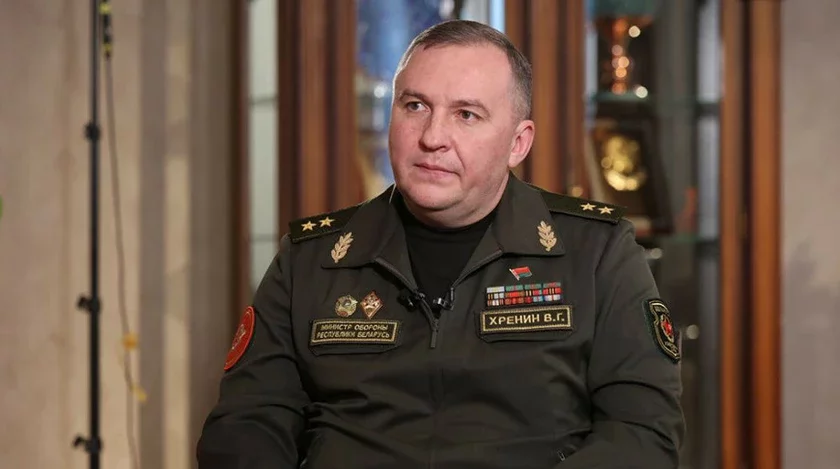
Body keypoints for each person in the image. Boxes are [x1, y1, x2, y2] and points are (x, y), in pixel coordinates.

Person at [197, 19, 684, 469]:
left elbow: (643, 433)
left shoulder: (596, 252)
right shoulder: (311, 259)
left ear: (518, 143)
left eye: (466, 115)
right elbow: (246, 426)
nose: (433, 137)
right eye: (415, 106)